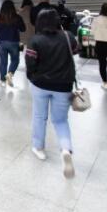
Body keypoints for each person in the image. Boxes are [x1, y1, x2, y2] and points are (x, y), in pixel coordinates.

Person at [25, 9, 76, 179]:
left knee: (39, 116)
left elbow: (30, 63)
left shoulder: (35, 40)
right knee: (60, 120)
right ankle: (66, 149)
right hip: (63, 86)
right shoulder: (68, 36)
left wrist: (32, 77)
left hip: (40, 84)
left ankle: (38, 148)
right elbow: (76, 51)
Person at [0, 0, 26, 87]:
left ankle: (3, 81)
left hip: (1, 43)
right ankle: (10, 74)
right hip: (14, 42)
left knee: (3, 62)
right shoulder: (17, 17)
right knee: (15, 60)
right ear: (13, 7)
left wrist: (0, 31)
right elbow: (23, 29)